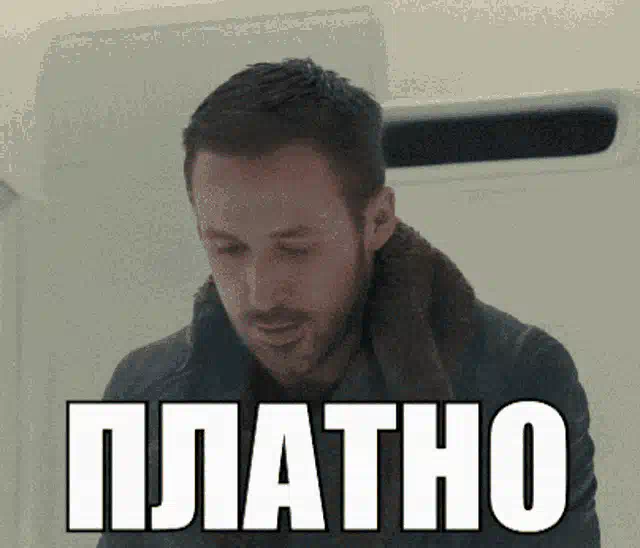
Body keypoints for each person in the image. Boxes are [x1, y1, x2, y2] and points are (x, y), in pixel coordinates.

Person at [97, 57, 600, 547]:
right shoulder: (144, 394)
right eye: (228, 249)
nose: (261, 294)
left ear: (377, 221)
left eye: (295, 249)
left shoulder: (517, 382)